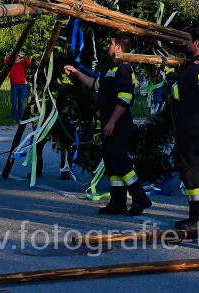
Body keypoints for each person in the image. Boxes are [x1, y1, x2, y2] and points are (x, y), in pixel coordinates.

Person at [64, 34, 151, 216]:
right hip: (109, 122)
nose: (108, 46)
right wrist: (77, 74)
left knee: (120, 161)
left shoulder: (124, 69)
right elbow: (96, 85)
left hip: (118, 123)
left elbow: (125, 99)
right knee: (111, 162)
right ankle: (117, 203)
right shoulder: (110, 68)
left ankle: (140, 198)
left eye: (111, 43)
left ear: (118, 48)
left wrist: (112, 122)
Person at [170, 26, 199, 232]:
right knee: (192, 170)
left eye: (189, 40)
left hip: (190, 125)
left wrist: (170, 76)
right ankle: (195, 216)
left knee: (193, 171)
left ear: (196, 43)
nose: (187, 44)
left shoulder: (195, 67)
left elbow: (178, 93)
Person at [6, 51, 31, 122]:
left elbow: (29, 63)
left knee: (21, 102)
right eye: (16, 56)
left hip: (22, 85)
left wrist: (23, 56)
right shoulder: (11, 64)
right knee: (14, 102)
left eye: (18, 56)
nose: (17, 57)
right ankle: (14, 118)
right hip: (14, 86)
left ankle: (19, 117)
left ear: (19, 57)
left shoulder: (22, 63)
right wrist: (12, 55)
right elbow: (5, 62)